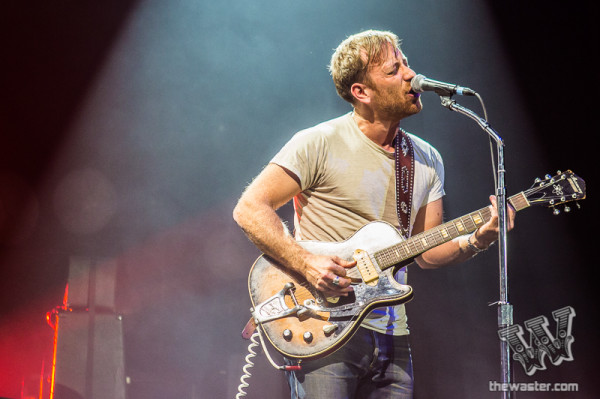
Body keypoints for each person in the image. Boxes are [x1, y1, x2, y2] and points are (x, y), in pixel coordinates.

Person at [233, 29, 516, 399]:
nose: (411, 76)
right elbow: (250, 208)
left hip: (392, 337)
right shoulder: (317, 142)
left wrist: (479, 239)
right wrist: (306, 263)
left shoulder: (426, 159)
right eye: (393, 69)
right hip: (322, 329)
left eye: (406, 64)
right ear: (361, 92)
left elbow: (425, 251)